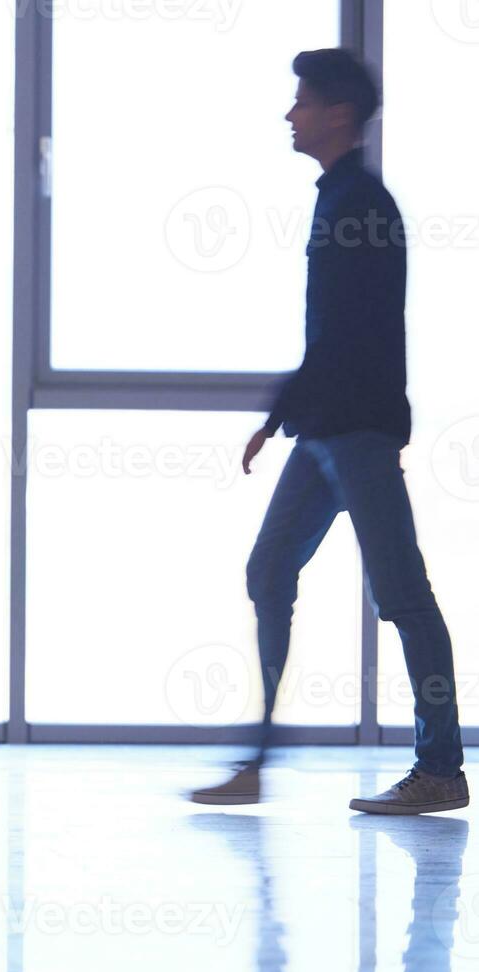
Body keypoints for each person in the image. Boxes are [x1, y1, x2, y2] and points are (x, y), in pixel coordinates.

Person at [191, 49, 465, 814]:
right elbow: (328, 335)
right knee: (268, 570)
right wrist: (281, 418)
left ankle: (439, 767)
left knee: (402, 596)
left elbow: (353, 334)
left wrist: (296, 414)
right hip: (324, 434)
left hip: (355, 433)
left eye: (301, 101)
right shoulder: (337, 197)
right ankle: (257, 764)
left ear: (337, 114)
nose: (289, 114)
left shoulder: (360, 205)